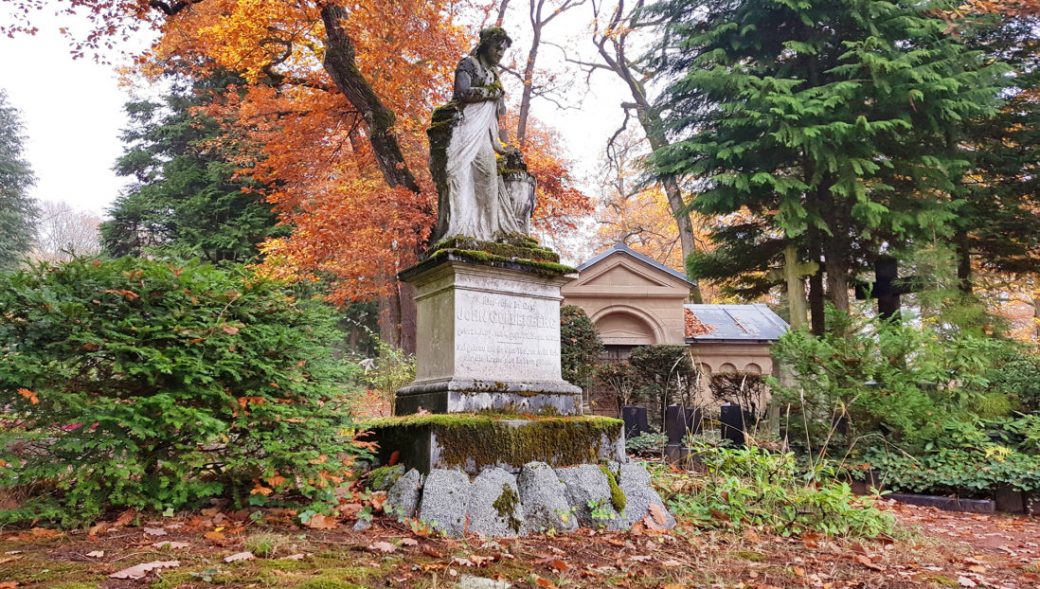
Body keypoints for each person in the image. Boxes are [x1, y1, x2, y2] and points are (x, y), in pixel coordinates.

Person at [439, 27, 516, 240]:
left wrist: (500, 144)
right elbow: (461, 92)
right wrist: (489, 92)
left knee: (489, 175)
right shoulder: (468, 64)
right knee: (461, 176)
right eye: (496, 48)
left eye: (503, 51)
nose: (500, 53)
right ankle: (461, 228)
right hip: (464, 130)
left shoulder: (494, 75)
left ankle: (492, 230)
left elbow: (496, 115)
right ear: (485, 45)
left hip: (483, 133)